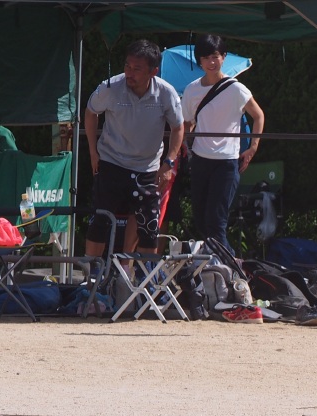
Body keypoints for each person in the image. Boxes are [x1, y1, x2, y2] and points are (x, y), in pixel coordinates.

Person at [84, 40, 184, 257]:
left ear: (153, 71)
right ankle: (91, 271)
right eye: (127, 66)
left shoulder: (166, 93)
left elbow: (178, 127)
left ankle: (142, 273)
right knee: (99, 221)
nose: (129, 73)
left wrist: (169, 162)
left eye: (137, 69)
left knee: (148, 227)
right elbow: (91, 112)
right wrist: (93, 151)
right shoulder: (110, 87)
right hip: (111, 161)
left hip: (147, 167)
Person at [181, 34, 265, 250]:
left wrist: (253, 148)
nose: (211, 62)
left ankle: (225, 266)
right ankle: (224, 262)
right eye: (206, 58)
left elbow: (258, 115)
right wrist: (184, 145)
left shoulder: (236, 89)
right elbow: (187, 122)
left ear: (223, 57)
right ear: (199, 61)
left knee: (216, 221)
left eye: (215, 56)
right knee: (201, 220)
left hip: (226, 162)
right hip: (200, 160)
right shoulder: (191, 90)